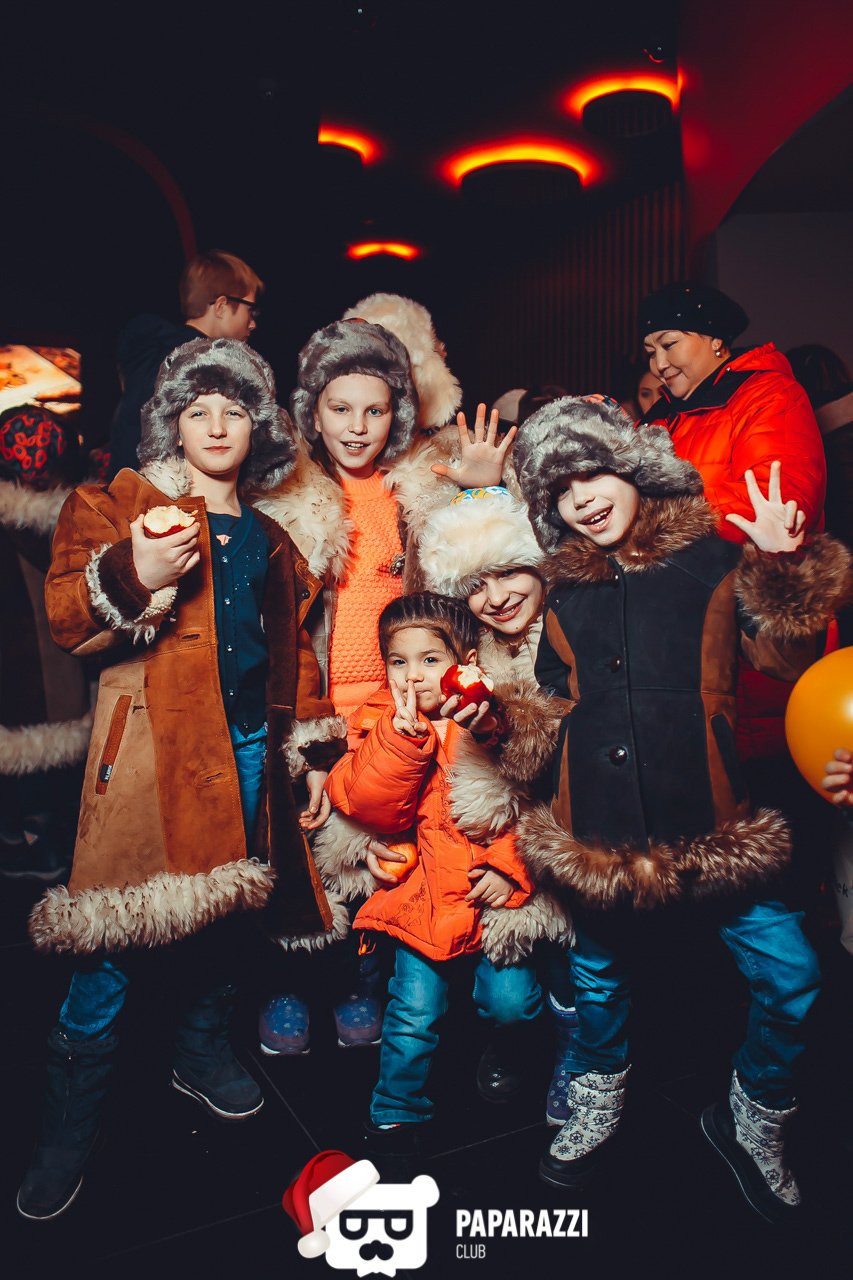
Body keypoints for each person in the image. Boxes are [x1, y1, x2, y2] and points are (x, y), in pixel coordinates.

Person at [17, 338, 345, 1221]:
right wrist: (138, 571)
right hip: (149, 757)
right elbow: (67, 618)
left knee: (229, 919)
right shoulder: (117, 503)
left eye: (234, 410)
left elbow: (292, 657)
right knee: (112, 945)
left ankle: (198, 1052)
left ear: (258, 427)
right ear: (172, 423)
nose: (217, 425)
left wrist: (308, 755)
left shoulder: (273, 538)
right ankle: (66, 1127)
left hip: (249, 751)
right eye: (198, 410)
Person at [510, 395, 852, 1223]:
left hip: (713, 820)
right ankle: (597, 1093)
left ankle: (752, 1112)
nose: (583, 498)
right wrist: (504, 725)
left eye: (594, 472)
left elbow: (783, 659)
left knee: (791, 977)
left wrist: (782, 567)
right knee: (599, 984)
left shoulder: (713, 557)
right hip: (599, 828)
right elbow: (552, 701)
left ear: (634, 466)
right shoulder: (562, 591)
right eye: (560, 490)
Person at [255, 315, 515, 1054]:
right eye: (340, 408)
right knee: (303, 851)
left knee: (384, 849)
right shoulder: (285, 497)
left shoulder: (421, 491)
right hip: (312, 708)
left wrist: (481, 494)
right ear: (312, 412)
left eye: (374, 410)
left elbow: (478, 573)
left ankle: (362, 981)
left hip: (404, 704)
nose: (357, 427)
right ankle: (289, 983)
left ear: (396, 412)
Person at [323, 592, 569, 1171]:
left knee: (512, 1005)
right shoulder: (379, 723)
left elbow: (534, 802)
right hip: (422, 897)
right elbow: (361, 801)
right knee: (412, 1014)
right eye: (398, 661)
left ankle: (507, 1051)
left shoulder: (494, 721)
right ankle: (394, 1112)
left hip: (492, 900)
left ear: (465, 662)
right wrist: (402, 741)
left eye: (430, 660)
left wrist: (509, 869)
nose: (412, 676)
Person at [418, 487, 579, 1120]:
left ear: (539, 563)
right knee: (505, 1002)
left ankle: (576, 1056)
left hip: (561, 844)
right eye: (476, 585)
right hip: (484, 856)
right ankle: (514, 1041)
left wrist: (515, 863)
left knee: (577, 974)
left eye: (509, 571)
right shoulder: (469, 654)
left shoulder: (572, 638)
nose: (497, 596)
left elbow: (563, 770)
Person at [0, 407, 91, 882]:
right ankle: (50, 842)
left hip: (13, 669)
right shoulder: (81, 519)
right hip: (64, 667)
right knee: (61, 766)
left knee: (17, 764)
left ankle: (20, 842)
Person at [108, 250, 263, 478]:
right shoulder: (206, 366)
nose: (252, 324)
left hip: (125, 483)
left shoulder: (152, 351)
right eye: (251, 310)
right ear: (221, 306)